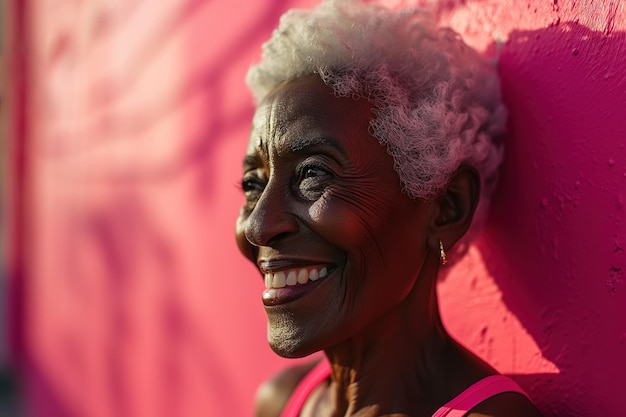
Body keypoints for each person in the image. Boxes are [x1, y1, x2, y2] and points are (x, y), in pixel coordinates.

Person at [235, 1, 543, 416]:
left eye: (313, 174)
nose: (258, 226)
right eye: (254, 183)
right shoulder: (282, 401)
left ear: (445, 208)